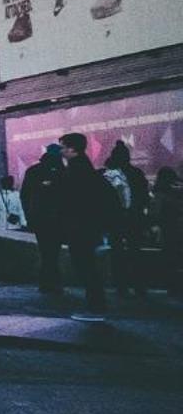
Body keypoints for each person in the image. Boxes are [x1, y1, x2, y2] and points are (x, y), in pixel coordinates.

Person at [59, 134, 113, 320]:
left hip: (81, 227)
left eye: (63, 147)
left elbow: (74, 201)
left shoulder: (77, 169)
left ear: (72, 149)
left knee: (85, 266)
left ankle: (96, 309)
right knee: (87, 266)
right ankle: (96, 307)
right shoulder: (84, 167)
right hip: (87, 226)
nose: (61, 151)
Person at [105, 141, 151, 299]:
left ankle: (121, 285)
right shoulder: (136, 173)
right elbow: (144, 196)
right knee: (135, 252)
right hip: (134, 218)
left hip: (114, 220)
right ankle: (139, 285)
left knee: (117, 253)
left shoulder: (109, 174)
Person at [23, 144, 67, 292]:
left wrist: (29, 217)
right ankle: (53, 281)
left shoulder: (33, 171)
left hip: (39, 218)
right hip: (58, 218)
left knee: (45, 250)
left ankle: (46, 282)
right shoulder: (63, 171)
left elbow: (25, 196)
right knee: (53, 251)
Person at [153, 168, 183, 296]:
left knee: (170, 259)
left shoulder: (160, 194)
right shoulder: (173, 193)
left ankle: (172, 287)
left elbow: (156, 213)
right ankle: (174, 286)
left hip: (168, 229)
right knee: (174, 259)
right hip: (173, 229)